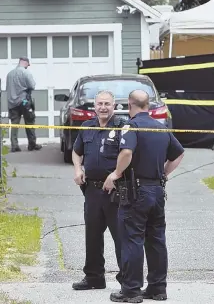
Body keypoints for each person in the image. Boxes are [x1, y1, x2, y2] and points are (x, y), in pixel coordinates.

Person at [103, 90, 185, 303]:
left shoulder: (132, 126)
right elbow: (179, 153)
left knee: (132, 239)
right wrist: (164, 173)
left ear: (130, 105)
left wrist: (115, 174)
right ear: (147, 105)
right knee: (157, 240)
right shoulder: (161, 127)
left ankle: (131, 290)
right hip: (157, 191)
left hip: (135, 192)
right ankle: (158, 289)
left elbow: (127, 153)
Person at [71, 90, 124, 291]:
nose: (103, 107)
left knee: (121, 236)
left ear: (114, 106)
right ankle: (94, 277)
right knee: (92, 235)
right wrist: (78, 168)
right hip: (91, 190)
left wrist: (116, 175)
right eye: (100, 104)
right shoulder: (87, 127)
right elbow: (77, 152)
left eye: (107, 104)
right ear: (94, 106)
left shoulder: (122, 127)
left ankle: (126, 280)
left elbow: (128, 154)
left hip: (115, 191)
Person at [6, 57, 42, 152]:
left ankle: (14, 145)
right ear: (25, 63)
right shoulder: (26, 73)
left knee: (14, 124)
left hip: (12, 103)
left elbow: (8, 89)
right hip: (24, 102)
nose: (27, 67)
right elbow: (32, 86)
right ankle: (32, 144)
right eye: (27, 65)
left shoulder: (9, 74)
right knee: (29, 122)